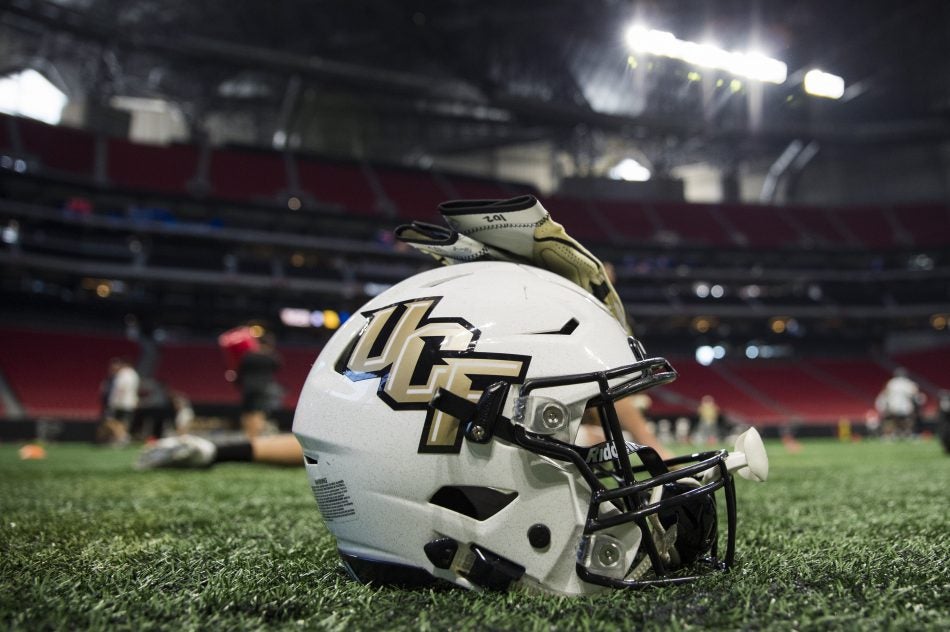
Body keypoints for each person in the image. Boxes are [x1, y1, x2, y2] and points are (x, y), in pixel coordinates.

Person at [236, 333, 283, 438]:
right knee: (259, 413)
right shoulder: (270, 357)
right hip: (263, 389)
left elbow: (240, 371)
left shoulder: (248, 356)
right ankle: (255, 437)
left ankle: (249, 435)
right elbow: (278, 365)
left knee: (247, 413)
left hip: (248, 388)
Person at [97, 357, 139, 445]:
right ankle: (121, 438)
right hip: (128, 403)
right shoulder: (134, 374)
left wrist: (115, 401)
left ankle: (122, 438)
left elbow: (121, 389)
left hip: (120, 403)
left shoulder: (123, 374)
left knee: (114, 422)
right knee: (122, 423)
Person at [875, 368, 924, 438]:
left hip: (894, 406)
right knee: (908, 420)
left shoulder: (891, 383)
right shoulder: (907, 383)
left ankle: (893, 434)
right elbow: (915, 392)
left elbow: (886, 393)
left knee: (894, 420)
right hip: (905, 406)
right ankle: (907, 433)